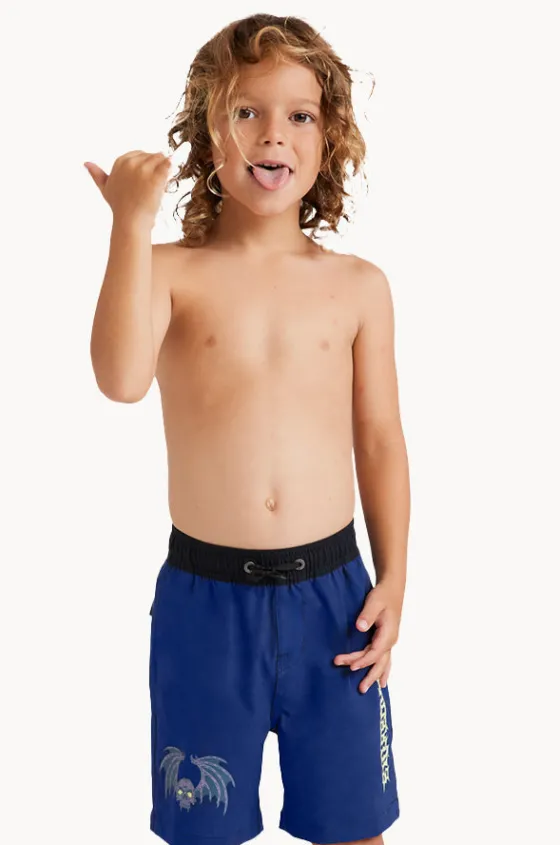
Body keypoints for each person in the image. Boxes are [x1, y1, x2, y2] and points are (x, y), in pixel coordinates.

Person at [86, 13, 409, 845]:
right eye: (246, 111)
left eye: (299, 114)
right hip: (205, 605)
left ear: (329, 136)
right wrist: (128, 225)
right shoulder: (168, 270)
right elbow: (120, 381)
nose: (273, 134)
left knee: (355, 832)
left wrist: (395, 577)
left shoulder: (358, 286)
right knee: (203, 833)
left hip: (335, 601)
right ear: (207, 133)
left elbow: (379, 437)